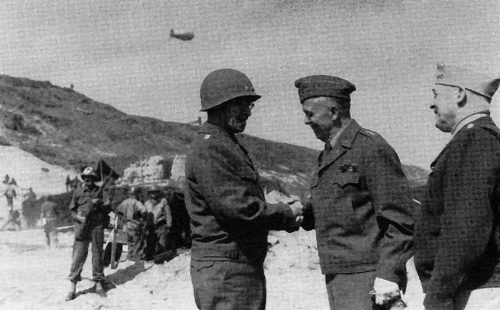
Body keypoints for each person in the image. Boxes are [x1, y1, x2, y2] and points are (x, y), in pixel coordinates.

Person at [185, 68, 303, 310]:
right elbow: (239, 209)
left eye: (250, 105)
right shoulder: (212, 148)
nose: (249, 112)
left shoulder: (224, 144)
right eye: (243, 105)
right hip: (228, 272)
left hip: (233, 267)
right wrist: (287, 213)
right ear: (224, 105)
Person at [294, 75, 414, 310]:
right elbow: (335, 210)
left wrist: (388, 274)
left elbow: (402, 220)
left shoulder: (370, 148)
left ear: (333, 112)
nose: (306, 121)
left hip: (369, 275)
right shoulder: (327, 154)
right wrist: (299, 213)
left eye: (310, 114)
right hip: (338, 273)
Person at [413, 63, 500, 310]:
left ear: (460, 94)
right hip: (472, 286)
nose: (432, 104)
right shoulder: (477, 139)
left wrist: (439, 294)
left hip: (477, 290)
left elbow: (465, 226)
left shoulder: (475, 140)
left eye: (436, 94)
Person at [66, 167, 112, 301]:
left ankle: (98, 283)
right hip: (82, 226)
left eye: (91, 178)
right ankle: (72, 286)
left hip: (96, 225)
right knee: (79, 255)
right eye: (86, 178)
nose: (88, 180)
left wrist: (100, 204)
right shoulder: (78, 192)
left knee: (97, 253)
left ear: (94, 179)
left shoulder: (101, 192)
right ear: (83, 179)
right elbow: (72, 211)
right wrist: (78, 218)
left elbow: (108, 208)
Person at [143, 185, 174, 263]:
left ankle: (160, 259)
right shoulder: (147, 203)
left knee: (162, 242)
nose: (153, 194)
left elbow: (168, 213)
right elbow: (145, 215)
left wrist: (169, 223)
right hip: (151, 226)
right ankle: (150, 258)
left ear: (158, 193)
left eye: (155, 192)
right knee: (150, 242)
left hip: (161, 225)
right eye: (151, 192)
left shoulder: (163, 201)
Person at [116, 186, 146, 261]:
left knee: (129, 242)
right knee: (137, 241)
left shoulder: (125, 202)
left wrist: (122, 219)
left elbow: (118, 210)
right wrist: (142, 219)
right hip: (134, 224)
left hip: (126, 225)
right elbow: (144, 211)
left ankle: (130, 256)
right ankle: (136, 257)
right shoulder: (137, 202)